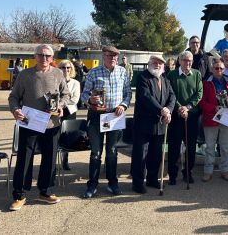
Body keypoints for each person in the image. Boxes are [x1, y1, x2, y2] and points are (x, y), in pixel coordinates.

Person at [8, 44, 70, 211]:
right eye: (41, 55)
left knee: (49, 159)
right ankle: (19, 194)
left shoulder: (58, 73)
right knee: (24, 159)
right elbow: (13, 97)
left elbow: (66, 94)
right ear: (34, 56)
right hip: (30, 123)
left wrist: (60, 106)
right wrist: (15, 110)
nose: (44, 59)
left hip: (52, 124)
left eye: (48, 56)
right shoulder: (25, 74)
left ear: (52, 58)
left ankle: (46, 191)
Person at [80, 46, 132, 198]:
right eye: (110, 55)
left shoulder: (123, 72)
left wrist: (123, 105)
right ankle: (92, 185)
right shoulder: (94, 72)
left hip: (115, 116)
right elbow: (84, 94)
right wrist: (90, 99)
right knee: (96, 153)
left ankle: (112, 183)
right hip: (96, 116)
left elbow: (128, 93)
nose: (113, 58)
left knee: (112, 152)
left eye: (116, 56)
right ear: (103, 56)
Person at [130, 55, 175, 194]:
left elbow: (172, 96)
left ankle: (152, 179)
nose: (157, 65)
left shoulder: (165, 79)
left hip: (159, 125)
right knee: (140, 155)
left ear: (163, 66)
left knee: (155, 154)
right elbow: (146, 97)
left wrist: (169, 110)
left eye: (160, 63)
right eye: (154, 62)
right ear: (149, 64)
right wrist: (162, 110)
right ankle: (137, 183)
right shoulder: (143, 77)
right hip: (144, 124)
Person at [167, 51, 203, 184]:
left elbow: (199, 93)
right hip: (176, 116)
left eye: (190, 60)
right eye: (184, 60)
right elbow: (170, 94)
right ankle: (172, 174)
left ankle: (188, 172)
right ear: (180, 60)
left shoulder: (197, 74)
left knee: (191, 146)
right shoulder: (172, 75)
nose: (187, 63)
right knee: (174, 147)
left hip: (191, 116)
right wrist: (180, 108)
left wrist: (187, 107)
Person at [200, 57, 228, 182]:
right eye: (216, 68)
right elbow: (202, 102)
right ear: (212, 69)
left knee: (225, 147)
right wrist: (213, 107)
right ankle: (208, 171)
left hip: (226, 118)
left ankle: (225, 170)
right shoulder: (206, 82)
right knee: (210, 147)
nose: (219, 70)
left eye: (221, 68)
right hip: (211, 119)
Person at [58, 59, 81, 170]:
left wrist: (62, 100)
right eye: (63, 67)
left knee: (68, 136)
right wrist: (68, 96)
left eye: (68, 67)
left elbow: (75, 100)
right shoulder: (55, 81)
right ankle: (53, 159)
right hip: (57, 112)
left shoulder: (75, 83)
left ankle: (65, 160)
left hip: (70, 112)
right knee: (56, 136)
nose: (66, 70)